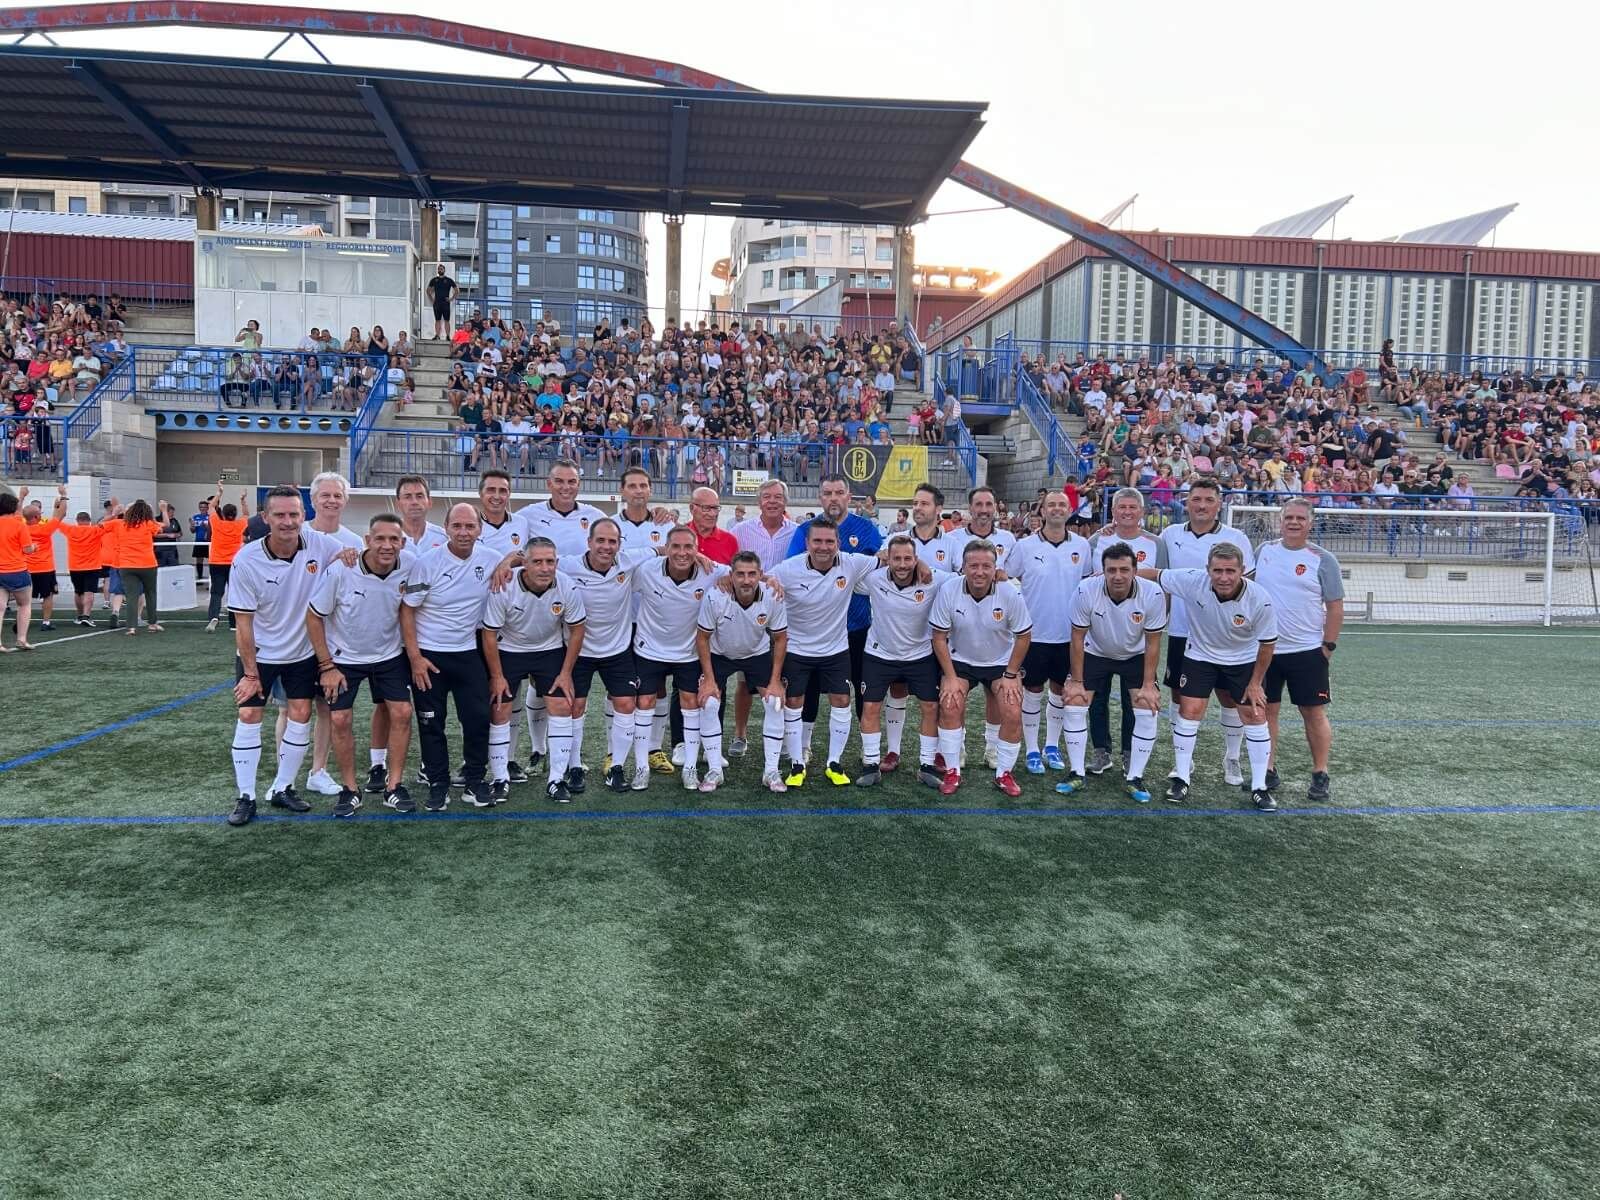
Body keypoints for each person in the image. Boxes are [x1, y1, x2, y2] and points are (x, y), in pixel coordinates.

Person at [223, 485, 357, 826]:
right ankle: (246, 796)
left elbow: (357, 554)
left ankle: (284, 787)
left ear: (304, 516)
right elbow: (243, 623)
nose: (287, 522)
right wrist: (251, 673)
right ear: (266, 518)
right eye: (280, 515)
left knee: (301, 713)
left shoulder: (320, 544)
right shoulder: (247, 560)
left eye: (294, 515)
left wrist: (350, 556)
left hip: (302, 652)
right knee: (250, 717)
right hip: (260, 654)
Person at [1142, 544, 1279, 810]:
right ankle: (1182, 778)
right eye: (1218, 570)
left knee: (1255, 715)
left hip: (1243, 660)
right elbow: (1155, 574)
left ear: (1242, 572)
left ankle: (1260, 786)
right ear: (1208, 570)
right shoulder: (1193, 581)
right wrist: (1106, 575)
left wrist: (1254, 684)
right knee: (1189, 710)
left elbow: (1268, 644)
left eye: (1230, 571)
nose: (1224, 577)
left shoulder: (1259, 599)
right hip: (1200, 656)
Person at [305, 513, 417, 816]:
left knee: (403, 713)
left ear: (403, 543)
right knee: (339, 720)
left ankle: (393, 786)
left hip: (389, 656)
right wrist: (327, 666)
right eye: (379, 538)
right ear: (367, 540)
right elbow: (314, 616)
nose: (387, 545)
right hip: (344, 660)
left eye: (394, 539)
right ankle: (351, 790)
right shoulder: (344, 568)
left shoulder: (409, 566)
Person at [400, 503, 504, 811]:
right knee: (432, 724)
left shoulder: (490, 558)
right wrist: (415, 657)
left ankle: (474, 781)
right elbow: (407, 610)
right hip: (430, 657)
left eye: (469, 526)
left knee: (476, 719)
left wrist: (510, 560)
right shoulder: (428, 562)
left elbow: (522, 558)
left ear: (479, 530)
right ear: (445, 528)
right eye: (457, 526)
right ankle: (438, 784)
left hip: (468, 653)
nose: (463, 532)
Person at [1155, 477, 1255, 786]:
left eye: (1208, 500)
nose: (1201, 505)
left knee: (1229, 697)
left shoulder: (1236, 537)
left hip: (1225, 635)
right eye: (1196, 499)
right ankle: (1183, 760)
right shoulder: (1170, 535)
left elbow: (1248, 586)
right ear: (1187, 502)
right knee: (1181, 695)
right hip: (1183, 632)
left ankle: (1232, 758)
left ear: (1219, 504)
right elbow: (1163, 581)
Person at [770, 517, 880, 787]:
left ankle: (834, 762)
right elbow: (763, 579)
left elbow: (885, 558)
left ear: (838, 544)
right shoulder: (787, 569)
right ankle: (797, 763)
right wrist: (767, 581)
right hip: (797, 649)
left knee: (842, 700)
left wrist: (922, 564)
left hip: (836, 649)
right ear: (807, 543)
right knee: (794, 703)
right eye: (817, 541)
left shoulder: (851, 563)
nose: (823, 547)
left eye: (829, 541)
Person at [1057, 542, 1167, 802]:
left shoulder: (1152, 594)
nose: (1118, 576)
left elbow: (1153, 642)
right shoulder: (1086, 590)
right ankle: (1076, 773)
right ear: (1103, 571)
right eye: (1111, 570)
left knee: (1146, 705)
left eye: (1124, 570)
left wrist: (1149, 684)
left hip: (1135, 654)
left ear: (1135, 570)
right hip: (1096, 651)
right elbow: (1077, 637)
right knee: (1075, 701)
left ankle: (1135, 777)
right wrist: (1076, 680)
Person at [481, 535, 587, 804]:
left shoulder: (566, 586)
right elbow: (489, 635)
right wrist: (496, 676)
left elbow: (577, 630)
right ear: (523, 564)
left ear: (557, 563)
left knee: (562, 706)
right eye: (537, 561)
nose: (544, 567)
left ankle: (556, 779)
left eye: (550, 561)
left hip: (548, 650)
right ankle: (499, 778)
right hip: (509, 650)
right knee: (499, 707)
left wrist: (565, 673)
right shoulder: (503, 586)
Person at [560, 518, 660, 794]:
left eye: (612, 541)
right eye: (600, 540)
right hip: (578, 650)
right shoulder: (567, 565)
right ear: (589, 542)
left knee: (626, 705)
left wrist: (699, 557)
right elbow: (533, 560)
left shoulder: (628, 562)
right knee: (574, 707)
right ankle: (574, 766)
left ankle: (616, 767)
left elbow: (663, 550)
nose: (606, 546)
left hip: (617, 650)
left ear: (619, 545)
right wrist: (506, 566)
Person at [1253, 497, 1343, 802]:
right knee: (1266, 711)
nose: (1293, 522)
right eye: (1288, 517)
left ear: (1310, 522)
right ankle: (1267, 769)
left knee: (1312, 712)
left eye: (1300, 518)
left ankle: (1320, 772)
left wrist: (1327, 647)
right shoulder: (1264, 551)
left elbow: (1335, 606)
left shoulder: (1322, 558)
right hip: (1266, 650)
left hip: (1307, 652)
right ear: (1280, 520)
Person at [784, 475, 882, 754]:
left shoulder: (865, 529)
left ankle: (867, 747)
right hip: (814, 631)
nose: (833, 498)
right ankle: (804, 746)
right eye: (827, 493)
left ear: (849, 497)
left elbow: (881, 567)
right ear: (820, 498)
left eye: (839, 492)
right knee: (809, 690)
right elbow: (791, 569)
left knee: (863, 690)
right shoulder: (805, 530)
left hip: (857, 625)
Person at [929, 539, 1033, 797]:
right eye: (973, 565)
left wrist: (1011, 675)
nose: (979, 571)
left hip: (999, 662)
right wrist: (950, 677)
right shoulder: (950, 589)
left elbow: (1024, 636)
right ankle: (953, 770)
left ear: (995, 568)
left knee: (1011, 709)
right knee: (950, 703)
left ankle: (1004, 773)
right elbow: (938, 637)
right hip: (961, 660)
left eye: (986, 566)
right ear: (963, 567)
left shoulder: (1009, 592)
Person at [1003, 489, 1091, 775]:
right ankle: (1031, 750)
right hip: (1034, 634)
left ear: (1069, 511)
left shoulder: (1082, 546)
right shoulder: (1025, 546)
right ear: (1042, 511)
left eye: (1061, 505)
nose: (1056, 509)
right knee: (1032, 691)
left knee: (1059, 691)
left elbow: (1089, 584)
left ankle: (1051, 746)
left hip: (1070, 636)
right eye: (1050, 504)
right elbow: (1007, 577)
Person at [629, 526, 724, 791]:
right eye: (676, 547)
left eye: (688, 547)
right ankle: (641, 767)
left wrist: (769, 580)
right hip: (649, 649)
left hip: (688, 652)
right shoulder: (647, 570)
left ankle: (691, 768)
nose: (682, 553)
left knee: (690, 704)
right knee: (645, 702)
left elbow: (743, 574)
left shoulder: (711, 571)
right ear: (666, 549)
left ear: (697, 549)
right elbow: (618, 567)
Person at [695, 550, 789, 793]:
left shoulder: (772, 595)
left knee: (775, 702)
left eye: (751, 574)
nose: (746, 580)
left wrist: (776, 680)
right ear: (731, 575)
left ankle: (771, 771)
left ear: (760, 575)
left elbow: (780, 639)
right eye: (740, 574)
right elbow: (703, 638)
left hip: (756, 654)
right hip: (720, 654)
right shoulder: (715, 596)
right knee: (709, 703)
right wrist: (708, 680)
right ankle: (715, 769)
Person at [1085, 488, 1163, 775]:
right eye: (1122, 507)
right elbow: (1086, 584)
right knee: (1097, 699)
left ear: (1141, 512)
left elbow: (1162, 587)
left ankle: (1130, 753)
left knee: (1136, 700)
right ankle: (1101, 751)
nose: (1127, 512)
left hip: (1138, 638)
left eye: (1133, 507)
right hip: (1099, 637)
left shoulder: (1156, 543)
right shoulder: (1098, 539)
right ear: (1113, 511)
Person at [853, 535, 942, 788]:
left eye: (908, 558)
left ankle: (926, 765)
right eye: (896, 558)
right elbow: (844, 574)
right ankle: (871, 764)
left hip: (919, 655)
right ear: (887, 560)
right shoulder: (874, 578)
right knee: (870, 707)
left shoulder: (933, 579)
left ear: (916, 559)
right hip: (879, 654)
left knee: (930, 707)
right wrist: (875, 559)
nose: (902, 564)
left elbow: (962, 580)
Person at [298, 473, 367, 800]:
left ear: (345, 500)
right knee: (292, 708)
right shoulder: (296, 533)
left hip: (332, 641)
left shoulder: (353, 541)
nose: (331, 500)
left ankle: (318, 771)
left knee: (327, 708)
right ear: (313, 500)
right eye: (324, 495)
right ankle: (286, 774)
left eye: (337, 495)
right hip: (294, 639)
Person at [945, 486, 1019, 768]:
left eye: (989, 504)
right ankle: (958, 747)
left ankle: (992, 749)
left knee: (995, 694)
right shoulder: (953, 539)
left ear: (995, 508)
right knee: (955, 697)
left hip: (995, 627)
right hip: (961, 627)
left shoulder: (1009, 539)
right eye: (979, 504)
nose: (984, 509)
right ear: (970, 508)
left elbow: (1013, 577)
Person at [730, 478, 797, 754]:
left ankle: (779, 737)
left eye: (777, 497)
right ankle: (740, 735)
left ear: (785, 501)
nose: (772, 501)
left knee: (782, 679)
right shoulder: (741, 531)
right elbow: (730, 568)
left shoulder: (798, 532)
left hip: (786, 614)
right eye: (767, 497)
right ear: (759, 502)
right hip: (749, 615)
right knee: (746, 682)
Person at [106, 499, 163, 636]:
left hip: (126, 565)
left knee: (131, 596)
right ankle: (152, 624)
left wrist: (114, 513)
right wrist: (162, 510)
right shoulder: (148, 524)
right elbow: (161, 528)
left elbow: (101, 526)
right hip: (148, 564)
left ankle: (131, 627)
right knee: (150, 594)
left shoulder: (119, 524)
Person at [203, 481, 250, 633]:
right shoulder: (239, 525)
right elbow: (247, 514)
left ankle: (213, 617)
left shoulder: (217, 524)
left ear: (222, 514)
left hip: (216, 562)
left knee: (216, 592)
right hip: (233, 563)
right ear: (234, 514)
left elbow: (210, 507)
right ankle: (233, 623)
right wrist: (243, 500)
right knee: (234, 592)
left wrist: (219, 493)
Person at [21, 495, 65, 631]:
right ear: (35, 517)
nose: (41, 515)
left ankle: (22, 621)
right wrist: (62, 496)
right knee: (48, 595)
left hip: (26, 568)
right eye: (39, 513)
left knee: (23, 597)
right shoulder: (44, 529)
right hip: (45, 568)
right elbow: (61, 514)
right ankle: (46, 622)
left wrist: (21, 497)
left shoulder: (20, 528)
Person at [61, 507, 107, 627]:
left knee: (78, 592)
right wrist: (114, 513)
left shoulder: (70, 530)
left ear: (77, 520)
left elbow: (57, 523)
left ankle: (80, 616)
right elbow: (105, 523)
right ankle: (86, 616)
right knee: (89, 591)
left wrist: (61, 510)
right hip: (92, 566)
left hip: (75, 567)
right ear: (89, 520)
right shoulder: (95, 530)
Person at [426, 265, 457, 341]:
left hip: (445, 303)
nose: (440, 270)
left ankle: (448, 336)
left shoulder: (449, 280)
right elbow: (428, 290)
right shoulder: (434, 280)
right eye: (439, 269)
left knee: (447, 320)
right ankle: (437, 335)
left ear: (444, 270)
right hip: (437, 303)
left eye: (441, 269)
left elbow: (457, 290)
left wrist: (451, 299)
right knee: (437, 320)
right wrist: (432, 299)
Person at [190, 497, 211, 582]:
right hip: (198, 541)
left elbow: (213, 530)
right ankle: (199, 577)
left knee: (211, 560)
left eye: (204, 507)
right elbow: (193, 531)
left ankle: (210, 579)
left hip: (209, 542)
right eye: (201, 507)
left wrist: (207, 527)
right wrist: (192, 526)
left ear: (207, 508)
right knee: (199, 559)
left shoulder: (210, 517)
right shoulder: (195, 517)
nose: (202, 509)